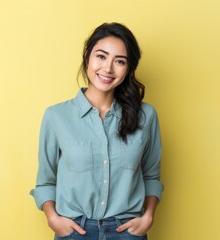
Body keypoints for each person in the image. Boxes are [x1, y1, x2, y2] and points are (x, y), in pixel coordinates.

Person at [30, 22, 164, 240]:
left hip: (127, 232)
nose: (108, 68)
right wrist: (52, 217)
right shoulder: (56, 117)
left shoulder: (146, 116)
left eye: (119, 61)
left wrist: (148, 215)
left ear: (129, 69)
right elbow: (46, 180)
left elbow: (151, 175)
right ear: (87, 57)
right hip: (74, 231)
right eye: (101, 56)